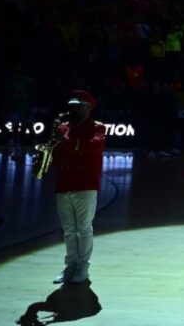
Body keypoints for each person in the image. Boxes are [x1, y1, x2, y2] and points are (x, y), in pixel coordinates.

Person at [51, 90, 106, 284]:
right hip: (64, 183)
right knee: (68, 230)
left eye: (78, 106)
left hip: (85, 183)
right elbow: (59, 154)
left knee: (83, 228)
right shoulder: (63, 127)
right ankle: (70, 266)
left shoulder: (97, 127)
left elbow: (93, 147)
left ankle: (83, 267)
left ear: (89, 108)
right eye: (72, 106)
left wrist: (65, 141)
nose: (73, 109)